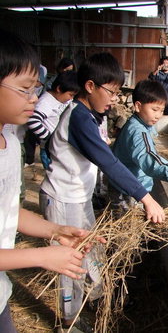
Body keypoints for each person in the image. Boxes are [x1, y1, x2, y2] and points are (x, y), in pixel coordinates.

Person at [39, 52, 168, 331]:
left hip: (78, 195)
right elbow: (108, 162)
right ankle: (68, 322)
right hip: (63, 198)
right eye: (110, 91)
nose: (114, 99)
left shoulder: (90, 115)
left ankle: (96, 301)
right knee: (69, 262)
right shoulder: (80, 118)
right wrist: (146, 198)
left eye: (118, 92)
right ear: (90, 87)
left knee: (90, 250)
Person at [0, 28, 102, 333]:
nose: (35, 97)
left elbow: (8, 213)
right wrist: (43, 255)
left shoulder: (10, 142)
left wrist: (55, 230)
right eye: (24, 88)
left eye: (36, 87)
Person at [112, 80, 168, 207]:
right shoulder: (138, 132)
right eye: (155, 109)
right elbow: (148, 157)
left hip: (122, 185)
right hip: (130, 192)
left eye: (162, 110)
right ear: (138, 106)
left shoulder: (135, 124)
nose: (158, 115)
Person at [27, 70, 79, 169]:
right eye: (70, 95)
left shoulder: (61, 99)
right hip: (49, 149)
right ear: (59, 89)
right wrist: (49, 138)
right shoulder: (46, 101)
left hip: (59, 147)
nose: (71, 98)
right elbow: (32, 120)